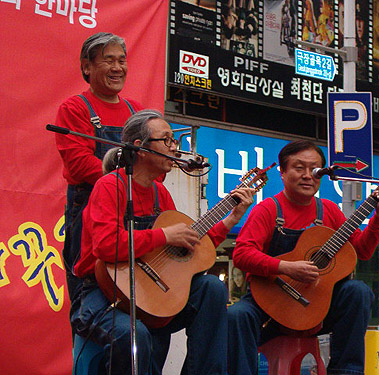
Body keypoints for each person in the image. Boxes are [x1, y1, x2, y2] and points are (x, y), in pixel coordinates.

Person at [71, 109, 255, 375]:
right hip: (101, 292)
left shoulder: (161, 194)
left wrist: (230, 219)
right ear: (140, 148)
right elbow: (105, 245)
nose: (174, 147)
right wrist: (164, 235)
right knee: (134, 335)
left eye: (174, 141)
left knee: (211, 288)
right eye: (167, 140)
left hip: (151, 295)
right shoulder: (110, 186)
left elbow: (189, 248)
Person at [228, 140, 379, 375]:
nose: (307, 176)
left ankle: (347, 371)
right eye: (298, 168)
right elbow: (241, 254)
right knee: (236, 315)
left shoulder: (330, 210)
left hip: (316, 307)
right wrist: (285, 267)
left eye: (314, 170)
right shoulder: (268, 209)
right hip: (269, 308)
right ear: (282, 173)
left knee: (358, 291)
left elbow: (362, 251)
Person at [54, 32, 144, 309]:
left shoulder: (137, 111)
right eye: (108, 61)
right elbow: (80, 163)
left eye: (122, 60)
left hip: (135, 215)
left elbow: (156, 167)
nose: (118, 68)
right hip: (88, 212)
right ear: (86, 66)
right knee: (88, 298)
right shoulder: (74, 108)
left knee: (140, 300)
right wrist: (130, 177)